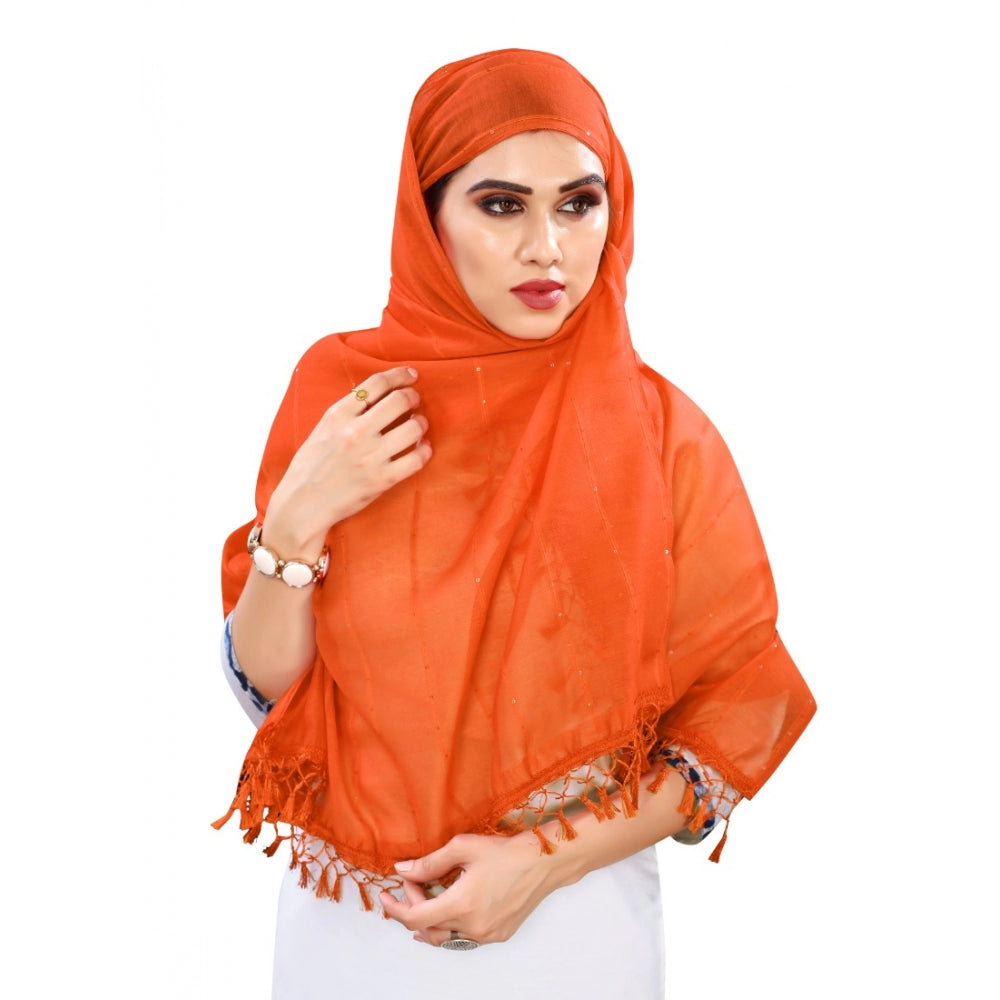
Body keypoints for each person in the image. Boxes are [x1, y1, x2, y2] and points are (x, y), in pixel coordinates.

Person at [215, 49, 815, 999]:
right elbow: (275, 693)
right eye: (501, 205)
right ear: (429, 218)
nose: (548, 247)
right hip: (353, 939)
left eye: (579, 204)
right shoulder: (351, 403)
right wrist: (296, 519)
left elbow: (737, 702)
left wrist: (541, 863)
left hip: (579, 935)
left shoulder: (660, 435)